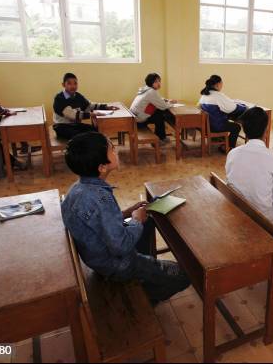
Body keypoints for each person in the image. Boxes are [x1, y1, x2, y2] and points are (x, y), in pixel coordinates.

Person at [61, 131, 190, 304]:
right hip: (117, 265)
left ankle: (147, 272)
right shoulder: (101, 197)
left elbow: (99, 223)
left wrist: (128, 212)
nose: (117, 152)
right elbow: (121, 246)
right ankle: (143, 299)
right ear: (102, 167)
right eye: (112, 150)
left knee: (148, 222)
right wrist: (136, 219)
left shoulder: (78, 189)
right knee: (185, 275)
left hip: (96, 257)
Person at [226, 107, 273, 237]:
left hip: (238, 207)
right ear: (266, 129)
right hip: (261, 215)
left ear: (244, 129)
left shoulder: (232, 154)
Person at [52, 73, 118, 140]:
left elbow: (89, 106)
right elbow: (72, 114)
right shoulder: (59, 98)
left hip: (75, 126)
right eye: (69, 83)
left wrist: (105, 107)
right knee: (83, 137)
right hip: (62, 127)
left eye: (75, 83)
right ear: (63, 85)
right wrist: (91, 115)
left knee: (96, 131)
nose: (73, 86)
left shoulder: (78, 96)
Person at [198, 75, 247, 151]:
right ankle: (228, 147)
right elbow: (232, 108)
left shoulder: (204, 95)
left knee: (228, 119)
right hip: (216, 126)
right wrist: (243, 107)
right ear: (217, 84)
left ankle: (219, 139)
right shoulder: (218, 96)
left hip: (207, 126)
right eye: (221, 83)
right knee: (236, 127)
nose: (222, 85)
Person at [129, 73, 176, 144]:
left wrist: (166, 100)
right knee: (160, 114)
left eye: (159, 81)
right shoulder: (151, 92)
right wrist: (172, 104)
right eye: (156, 82)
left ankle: (161, 137)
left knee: (158, 114)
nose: (159, 83)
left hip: (135, 117)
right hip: (139, 121)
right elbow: (163, 106)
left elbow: (158, 99)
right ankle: (160, 138)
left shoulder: (146, 89)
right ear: (151, 82)